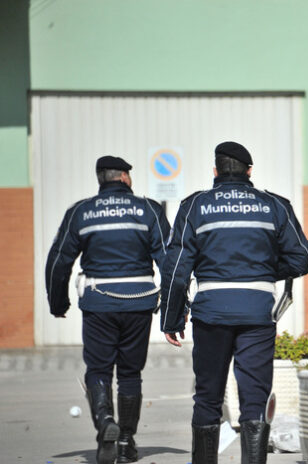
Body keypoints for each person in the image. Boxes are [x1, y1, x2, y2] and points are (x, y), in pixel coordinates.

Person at [159, 141, 308, 464]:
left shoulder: (195, 206)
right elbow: (304, 257)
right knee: (254, 400)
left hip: (211, 315)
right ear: (249, 171)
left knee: (208, 399)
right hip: (258, 315)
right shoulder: (275, 205)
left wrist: (171, 318)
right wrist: (265, 269)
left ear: (215, 171)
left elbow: (176, 269)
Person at [45, 156, 170, 464]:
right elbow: (169, 259)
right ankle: (126, 442)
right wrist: (174, 307)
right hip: (139, 302)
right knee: (130, 372)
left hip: (99, 304)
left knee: (99, 369)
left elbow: (59, 261)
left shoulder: (81, 212)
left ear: (101, 179)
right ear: (125, 177)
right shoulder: (149, 209)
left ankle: (104, 422)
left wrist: (58, 303)